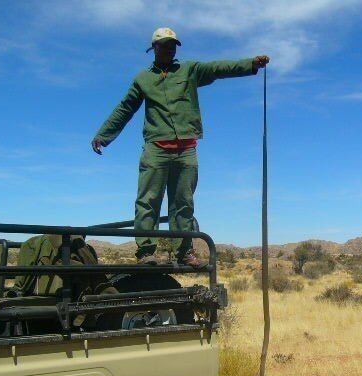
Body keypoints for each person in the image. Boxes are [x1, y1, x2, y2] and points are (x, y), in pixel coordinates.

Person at [92, 27, 269, 266]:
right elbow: (125, 108)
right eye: (165, 44)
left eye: (173, 44)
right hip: (156, 148)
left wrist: (251, 64)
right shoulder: (143, 79)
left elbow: (219, 68)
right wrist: (104, 135)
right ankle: (146, 252)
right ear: (154, 48)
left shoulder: (190, 70)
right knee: (148, 200)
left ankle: (184, 251)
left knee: (183, 203)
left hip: (186, 149)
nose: (170, 48)